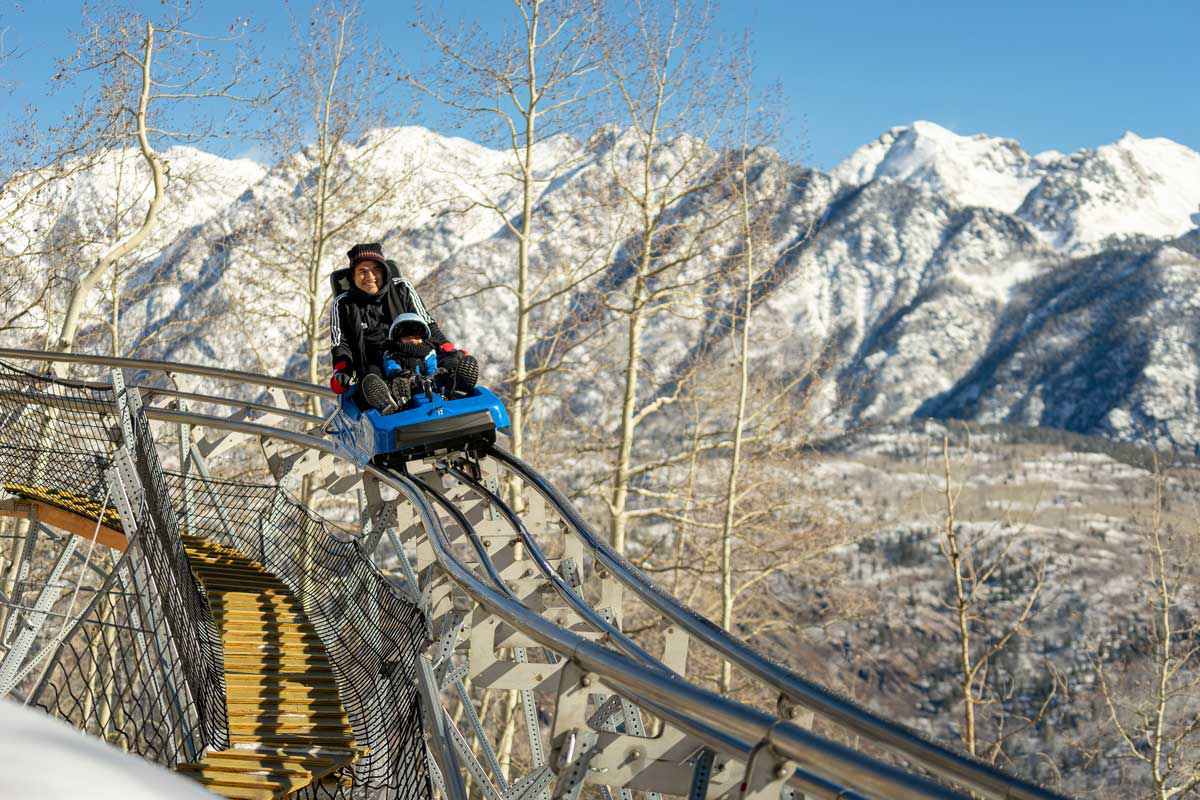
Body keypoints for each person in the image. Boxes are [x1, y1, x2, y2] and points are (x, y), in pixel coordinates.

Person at [328, 243, 475, 413]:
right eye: (362, 271)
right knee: (371, 379)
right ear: (353, 276)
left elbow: (426, 321)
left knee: (452, 360)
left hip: (414, 351)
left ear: (384, 271)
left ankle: (453, 389)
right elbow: (340, 344)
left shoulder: (401, 287)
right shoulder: (343, 303)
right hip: (374, 365)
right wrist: (341, 369)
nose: (370, 276)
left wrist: (446, 346)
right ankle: (389, 402)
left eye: (376, 269)